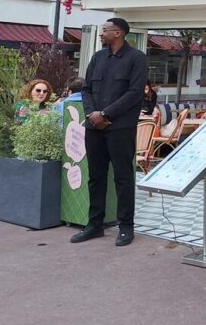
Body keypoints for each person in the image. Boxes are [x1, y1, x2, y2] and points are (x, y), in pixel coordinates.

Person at [70, 17, 147, 247]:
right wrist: (93, 114)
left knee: (123, 178)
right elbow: (86, 89)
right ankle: (94, 225)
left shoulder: (137, 59)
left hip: (120, 129)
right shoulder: (97, 57)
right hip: (94, 127)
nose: (101, 33)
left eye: (105, 30)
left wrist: (106, 114)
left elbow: (134, 93)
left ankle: (126, 227)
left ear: (119, 33)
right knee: (96, 176)